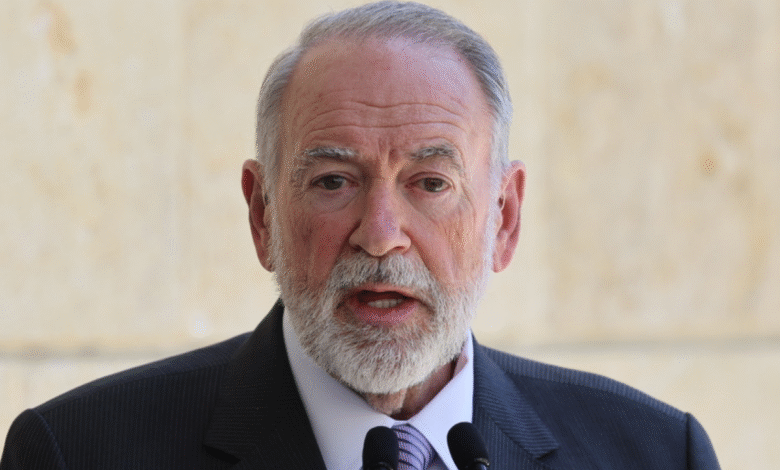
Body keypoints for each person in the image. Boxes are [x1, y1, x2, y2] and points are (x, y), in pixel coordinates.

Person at [1, 2, 720, 469]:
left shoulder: (656, 453)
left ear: (504, 218)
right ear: (261, 215)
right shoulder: (80, 452)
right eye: (333, 182)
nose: (380, 236)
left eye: (429, 184)